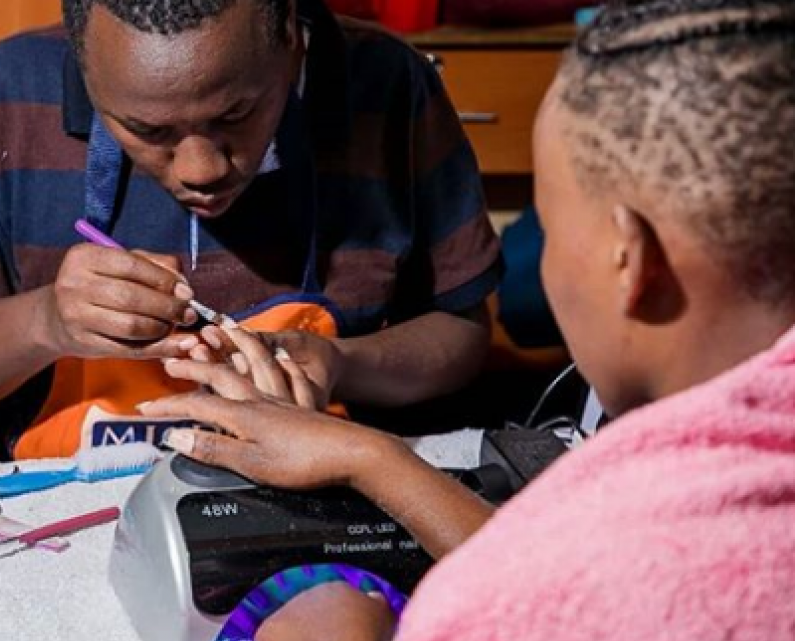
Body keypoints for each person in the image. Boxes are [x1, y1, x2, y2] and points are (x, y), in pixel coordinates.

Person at [142, 0, 795, 638]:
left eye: (549, 220)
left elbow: (557, 590)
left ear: (631, 258)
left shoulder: (496, 606)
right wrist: (367, 457)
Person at [0, 0, 502, 461]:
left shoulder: (390, 87)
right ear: (85, 71)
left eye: (237, 112)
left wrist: (343, 364)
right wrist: (44, 323)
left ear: (290, 35)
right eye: (148, 131)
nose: (201, 170)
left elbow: (463, 332)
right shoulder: (4, 96)